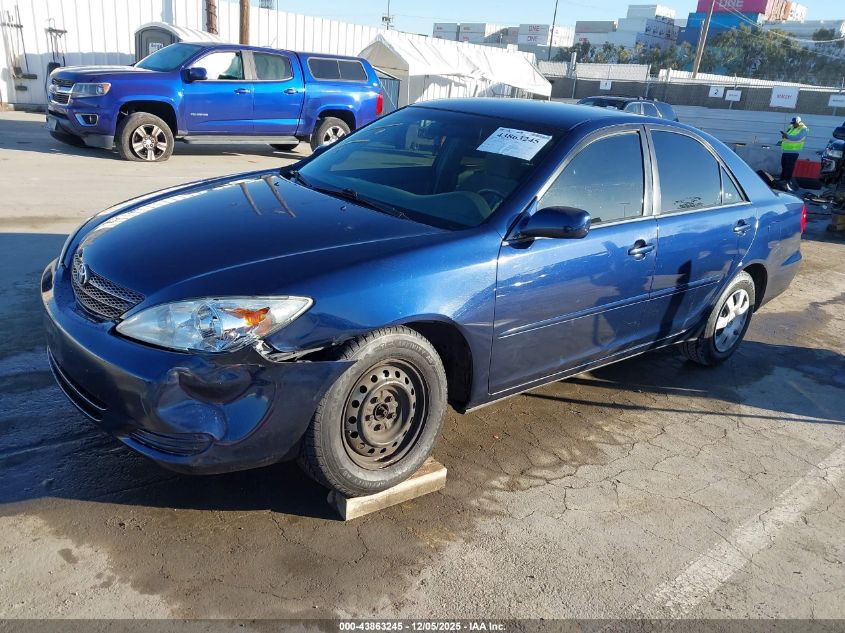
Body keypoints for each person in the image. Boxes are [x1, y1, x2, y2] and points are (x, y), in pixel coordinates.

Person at [780, 116, 809, 182]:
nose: (793, 124)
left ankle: (786, 181)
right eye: (792, 123)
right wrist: (784, 136)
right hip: (786, 151)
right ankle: (782, 179)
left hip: (793, 151)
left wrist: (786, 136)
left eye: (794, 123)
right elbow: (787, 136)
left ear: (799, 122)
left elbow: (797, 138)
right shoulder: (791, 127)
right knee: (784, 166)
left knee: (789, 167)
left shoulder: (803, 128)